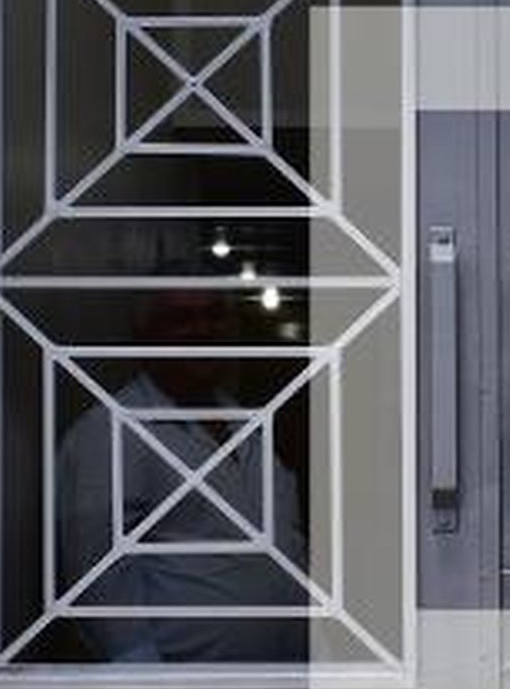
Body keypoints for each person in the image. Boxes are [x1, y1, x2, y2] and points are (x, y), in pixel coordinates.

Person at [47, 285, 312, 665]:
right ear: (144, 335)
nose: (202, 329)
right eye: (180, 318)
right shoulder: (112, 432)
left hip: (285, 683)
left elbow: (289, 543)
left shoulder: (250, 425)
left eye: (215, 315)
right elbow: (98, 582)